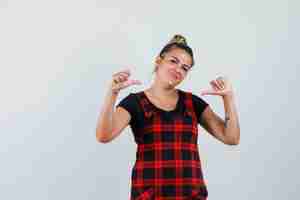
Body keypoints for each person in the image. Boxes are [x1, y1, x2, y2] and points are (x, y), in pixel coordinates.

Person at [96, 34, 240, 200]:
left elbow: (231, 137)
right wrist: (112, 93)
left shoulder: (192, 103)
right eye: (173, 61)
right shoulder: (134, 103)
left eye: (185, 68)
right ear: (159, 61)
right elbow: (103, 135)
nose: (178, 69)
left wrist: (228, 97)